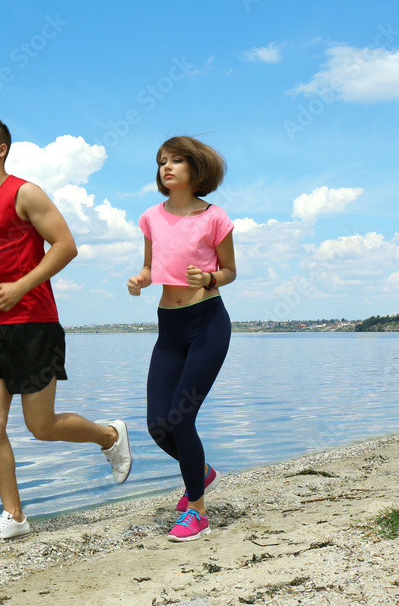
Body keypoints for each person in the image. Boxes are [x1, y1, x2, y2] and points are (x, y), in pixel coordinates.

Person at [0, 116, 133, 545]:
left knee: (41, 426)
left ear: (1, 150)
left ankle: (110, 435)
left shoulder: (25, 192)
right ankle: (14, 515)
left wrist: (20, 287)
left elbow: (66, 245)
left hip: (35, 323)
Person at [127, 135, 236, 542]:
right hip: (168, 328)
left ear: (196, 168)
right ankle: (202, 474)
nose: (166, 167)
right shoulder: (151, 217)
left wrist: (209, 277)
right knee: (158, 425)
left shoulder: (214, 218)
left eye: (175, 161)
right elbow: (150, 266)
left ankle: (197, 512)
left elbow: (229, 271)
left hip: (207, 323)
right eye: (161, 162)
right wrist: (141, 279)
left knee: (181, 417)